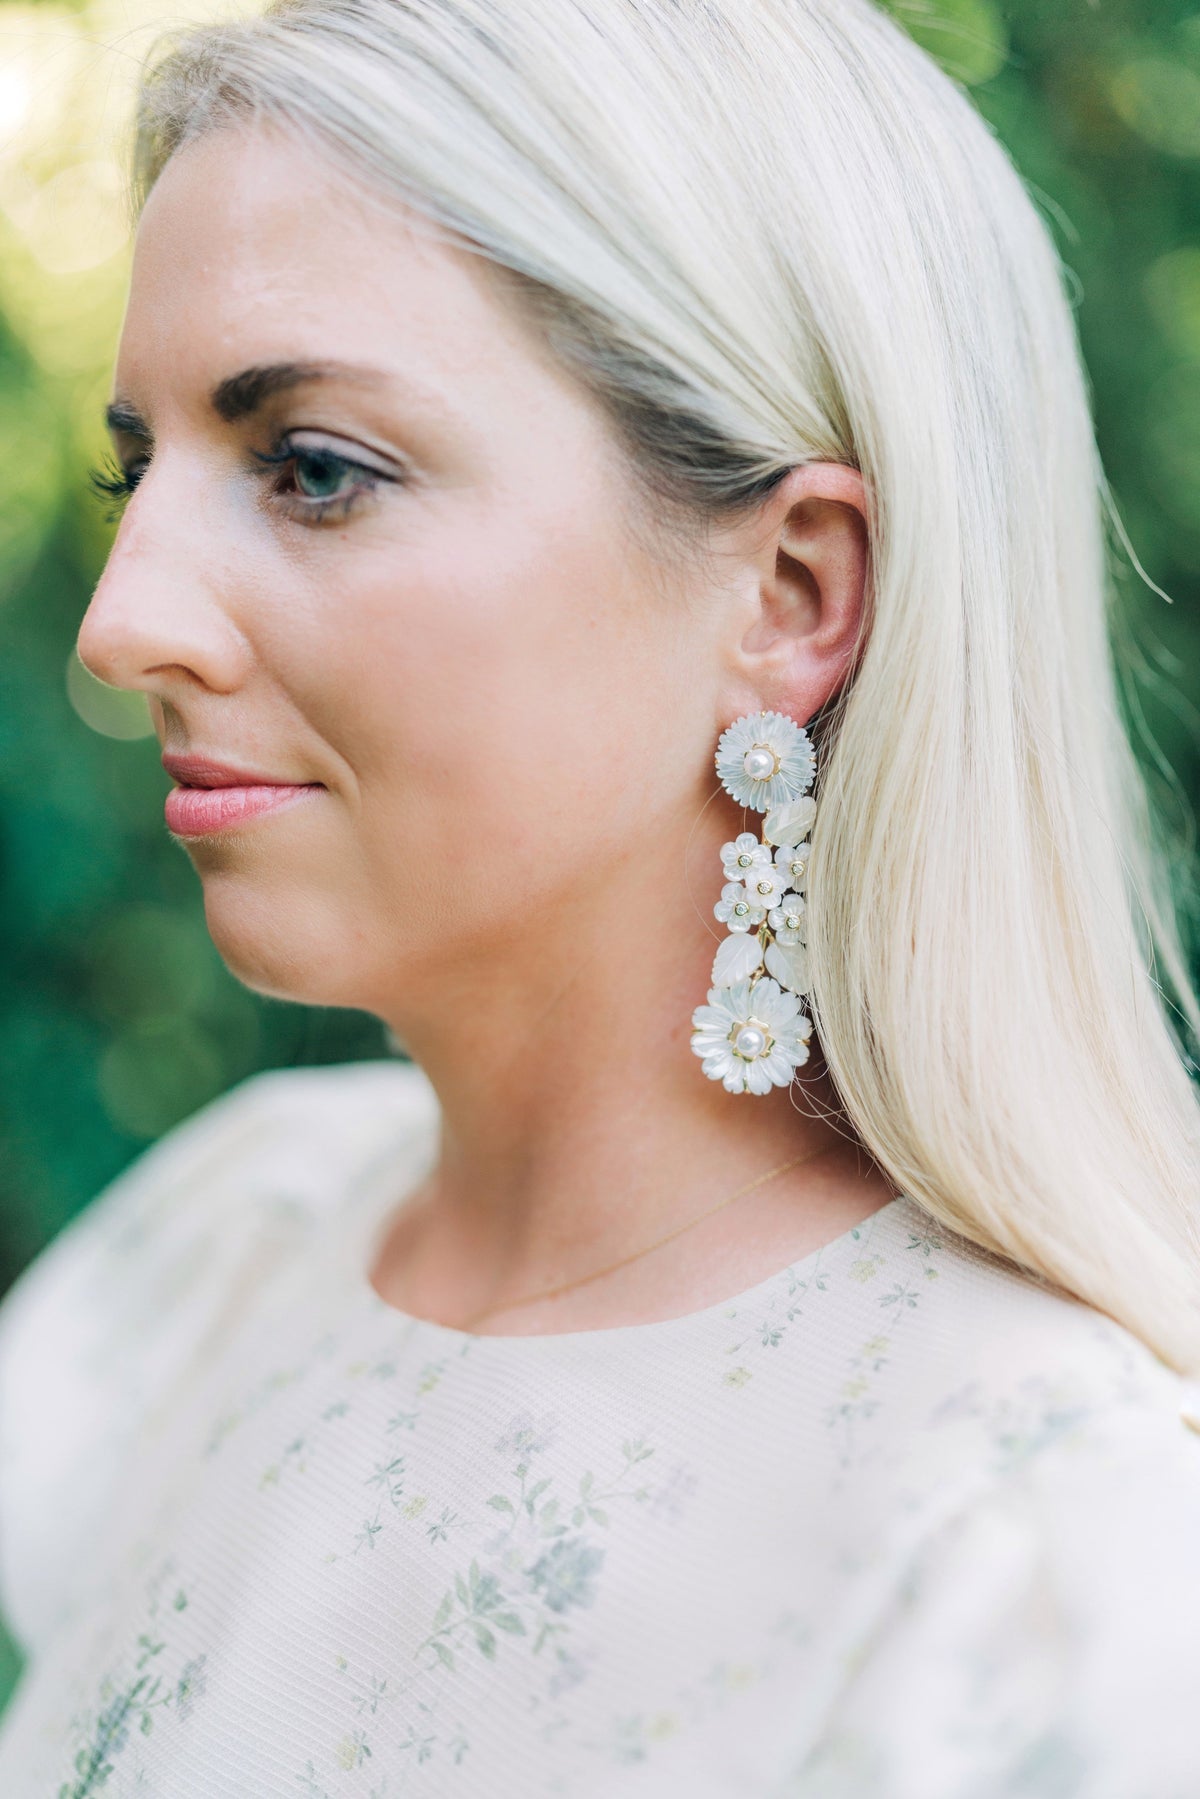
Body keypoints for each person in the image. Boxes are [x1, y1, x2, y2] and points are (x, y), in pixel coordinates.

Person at [1, 0, 1199, 1790]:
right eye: (136, 468)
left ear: (792, 592)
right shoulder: (221, 1256)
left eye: (313, 469)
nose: (126, 620)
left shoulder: (1047, 1569)